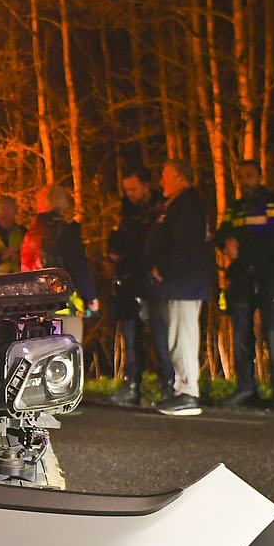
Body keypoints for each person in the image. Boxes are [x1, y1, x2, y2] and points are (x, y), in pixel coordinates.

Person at [216, 159, 274, 411]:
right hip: (241, 279)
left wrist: (244, 246)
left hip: (271, 277)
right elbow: (221, 232)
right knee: (241, 335)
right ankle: (245, 389)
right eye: (241, 177)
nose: (244, 181)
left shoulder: (273, 202)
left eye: (249, 176)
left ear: (259, 177)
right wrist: (226, 240)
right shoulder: (235, 207)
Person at [143, 158, 213, 416]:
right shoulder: (177, 205)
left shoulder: (188, 205)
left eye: (166, 175)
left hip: (183, 285)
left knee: (182, 338)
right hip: (177, 285)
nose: (161, 181)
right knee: (176, 338)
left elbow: (187, 245)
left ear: (181, 178)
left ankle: (188, 393)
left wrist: (163, 268)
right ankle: (182, 391)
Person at [105, 168, 170, 405]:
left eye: (133, 189)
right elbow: (115, 245)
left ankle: (168, 387)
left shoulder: (162, 208)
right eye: (126, 190)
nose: (129, 194)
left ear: (146, 185)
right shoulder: (125, 212)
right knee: (130, 339)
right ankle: (132, 385)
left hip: (155, 282)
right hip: (130, 282)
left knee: (162, 338)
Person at [21, 183, 97, 337]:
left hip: (36, 309)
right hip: (64, 306)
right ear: (63, 203)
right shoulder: (66, 232)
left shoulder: (31, 234)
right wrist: (90, 296)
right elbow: (78, 267)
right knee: (69, 352)